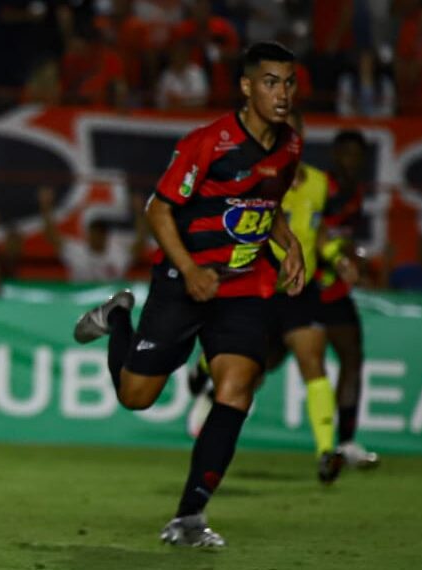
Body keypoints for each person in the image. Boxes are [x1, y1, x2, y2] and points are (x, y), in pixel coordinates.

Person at [73, 42, 305, 548]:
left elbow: (270, 206)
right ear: (246, 87)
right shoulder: (209, 142)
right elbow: (158, 210)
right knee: (136, 397)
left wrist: (289, 246)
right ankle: (117, 318)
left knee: (237, 388)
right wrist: (190, 268)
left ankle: (189, 517)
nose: (282, 93)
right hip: (183, 285)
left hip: (242, 286)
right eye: (270, 81)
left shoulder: (289, 146)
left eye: (288, 82)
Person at [186, 110, 358, 484]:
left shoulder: (318, 184)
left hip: (300, 290)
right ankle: (202, 372)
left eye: (298, 133)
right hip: (257, 285)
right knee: (249, 370)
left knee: (313, 360)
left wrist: (336, 257)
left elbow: (322, 233)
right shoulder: (255, 176)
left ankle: (327, 451)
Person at [315, 129, 380, 469]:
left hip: (335, 290)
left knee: (352, 355)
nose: (352, 162)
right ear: (335, 155)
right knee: (268, 358)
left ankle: (347, 441)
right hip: (306, 285)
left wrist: (356, 258)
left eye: (358, 156)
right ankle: (211, 386)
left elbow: (345, 236)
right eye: (347, 154)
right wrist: (338, 260)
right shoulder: (320, 186)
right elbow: (312, 231)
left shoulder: (356, 194)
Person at [38, 186, 143, 282]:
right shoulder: (77, 251)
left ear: (105, 235)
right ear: (89, 234)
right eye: (94, 231)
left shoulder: (117, 254)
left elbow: (140, 242)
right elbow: (52, 236)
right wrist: (46, 208)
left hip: (109, 299)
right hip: (80, 299)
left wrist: (139, 212)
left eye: (101, 232)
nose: (97, 236)